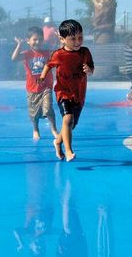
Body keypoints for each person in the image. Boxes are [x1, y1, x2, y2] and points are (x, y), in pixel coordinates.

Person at [39, 19, 94, 162]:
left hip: (79, 94)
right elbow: (48, 65)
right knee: (68, 119)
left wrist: (89, 70)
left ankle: (58, 142)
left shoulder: (85, 52)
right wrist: (43, 76)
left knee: (72, 124)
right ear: (62, 39)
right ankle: (69, 151)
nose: (77, 42)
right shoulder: (58, 54)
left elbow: (91, 67)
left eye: (80, 37)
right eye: (73, 39)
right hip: (63, 92)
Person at [11, 26, 58, 140]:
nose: (38, 42)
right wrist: (19, 45)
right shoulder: (27, 54)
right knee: (34, 113)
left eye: (40, 39)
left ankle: (54, 130)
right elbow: (14, 58)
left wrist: (59, 40)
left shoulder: (47, 53)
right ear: (28, 41)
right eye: (35, 39)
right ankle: (36, 129)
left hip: (46, 87)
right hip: (32, 88)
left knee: (48, 108)